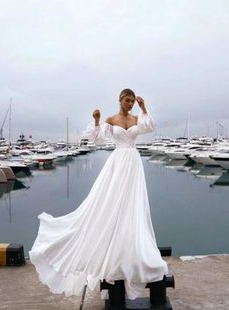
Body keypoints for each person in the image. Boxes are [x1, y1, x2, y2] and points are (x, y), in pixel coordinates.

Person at [29, 88, 168, 301]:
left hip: (133, 163)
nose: (130, 104)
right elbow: (97, 140)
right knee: (109, 203)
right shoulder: (111, 120)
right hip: (117, 162)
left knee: (132, 205)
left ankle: (128, 247)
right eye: (128, 100)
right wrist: (96, 121)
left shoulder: (135, 117)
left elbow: (149, 127)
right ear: (120, 100)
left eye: (133, 101)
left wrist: (143, 107)